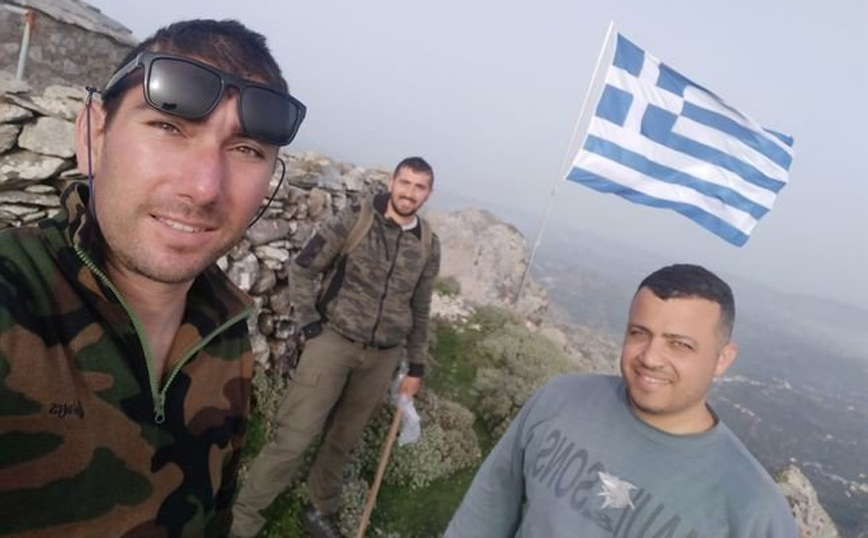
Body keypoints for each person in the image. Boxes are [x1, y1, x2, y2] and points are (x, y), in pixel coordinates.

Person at [0, 19, 305, 537]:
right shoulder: (13, 300)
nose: (204, 187)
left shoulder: (226, 330)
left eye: (247, 150)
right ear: (94, 134)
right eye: (168, 127)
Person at [445, 264, 798, 537]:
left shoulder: (753, 508)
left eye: (679, 344)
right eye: (639, 333)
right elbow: (487, 507)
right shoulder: (560, 398)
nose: (650, 357)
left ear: (723, 359)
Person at [231, 157, 441, 538]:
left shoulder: (427, 243)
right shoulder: (356, 218)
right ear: (392, 182)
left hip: (383, 357)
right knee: (293, 437)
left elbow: (421, 307)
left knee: (343, 440)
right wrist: (311, 324)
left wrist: (416, 367)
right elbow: (304, 267)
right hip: (333, 343)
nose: (410, 193)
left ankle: (319, 510)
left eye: (419, 187)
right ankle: (242, 520)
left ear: (428, 193)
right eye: (405, 182)